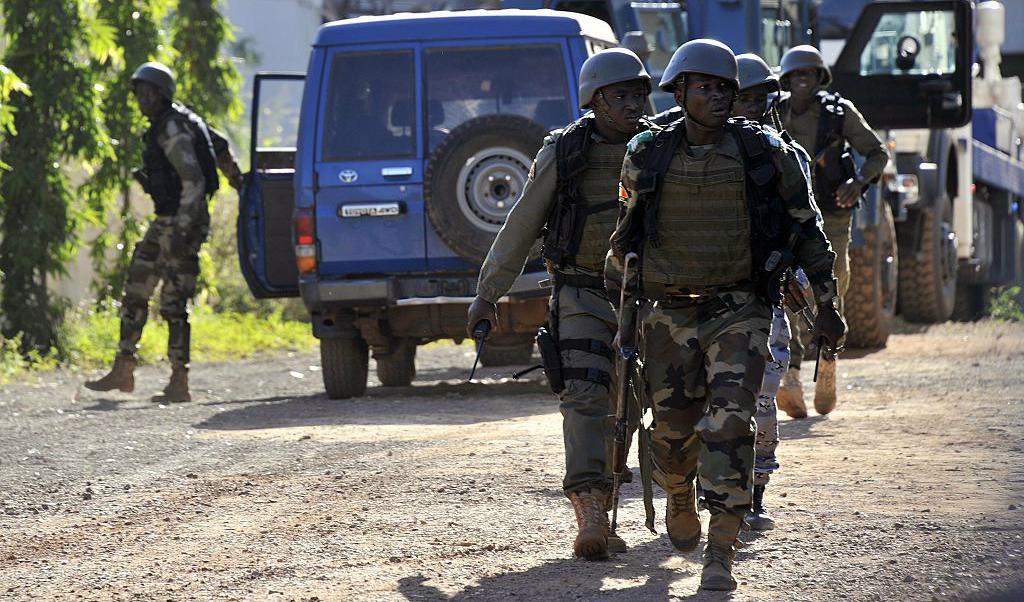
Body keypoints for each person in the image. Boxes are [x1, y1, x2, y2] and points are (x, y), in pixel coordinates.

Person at [606, 39, 844, 590]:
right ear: (681, 91)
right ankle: (680, 494)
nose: (718, 97)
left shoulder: (765, 154)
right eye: (706, 87)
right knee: (671, 431)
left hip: (739, 307)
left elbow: (806, 226)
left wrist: (827, 304)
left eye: (725, 89)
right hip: (668, 313)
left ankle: (721, 550)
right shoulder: (647, 154)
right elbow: (626, 235)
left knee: (731, 420)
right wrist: (619, 290)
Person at [465, 48, 651, 561]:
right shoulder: (566, 152)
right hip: (581, 291)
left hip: (651, 296)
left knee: (633, 405)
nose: (635, 104)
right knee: (585, 399)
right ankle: (591, 508)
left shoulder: (662, 148)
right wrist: (488, 293)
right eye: (622, 95)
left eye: (640, 93)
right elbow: (522, 224)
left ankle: (632, 493)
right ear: (595, 100)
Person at [85, 62, 242, 403]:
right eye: (138, 93)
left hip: (182, 222)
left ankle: (178, 380)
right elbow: (221, 146)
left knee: (173, 301)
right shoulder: (183, 119)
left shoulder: (172, 128)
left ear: (161, 94)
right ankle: (124, 368)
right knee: (135, 288)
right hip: (168, 220)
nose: (141, 100)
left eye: (147, 93)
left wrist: (182, 230)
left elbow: (194, 182)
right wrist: (239, 180)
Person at [775, 45, 889, 417]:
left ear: (819, 78)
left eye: (809, 75)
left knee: (832, 289)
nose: (802, 82)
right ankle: (791, 374)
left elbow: (877, 153)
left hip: (832, 215)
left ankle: (827, 365)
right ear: (787, 81)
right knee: (786, 289)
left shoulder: (840, 113)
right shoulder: (774, 113)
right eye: (795, 76)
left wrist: (857, 183)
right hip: (789, 214)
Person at [731, 53, 819, 531]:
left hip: (766, 296)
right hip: (702, 297)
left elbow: (808, 230)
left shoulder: (788, 156)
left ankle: (755, 491)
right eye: (742, 96)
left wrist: (808, 286)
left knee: (762, 402)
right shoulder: (686, 151)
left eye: (761, 97)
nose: (752, 106)